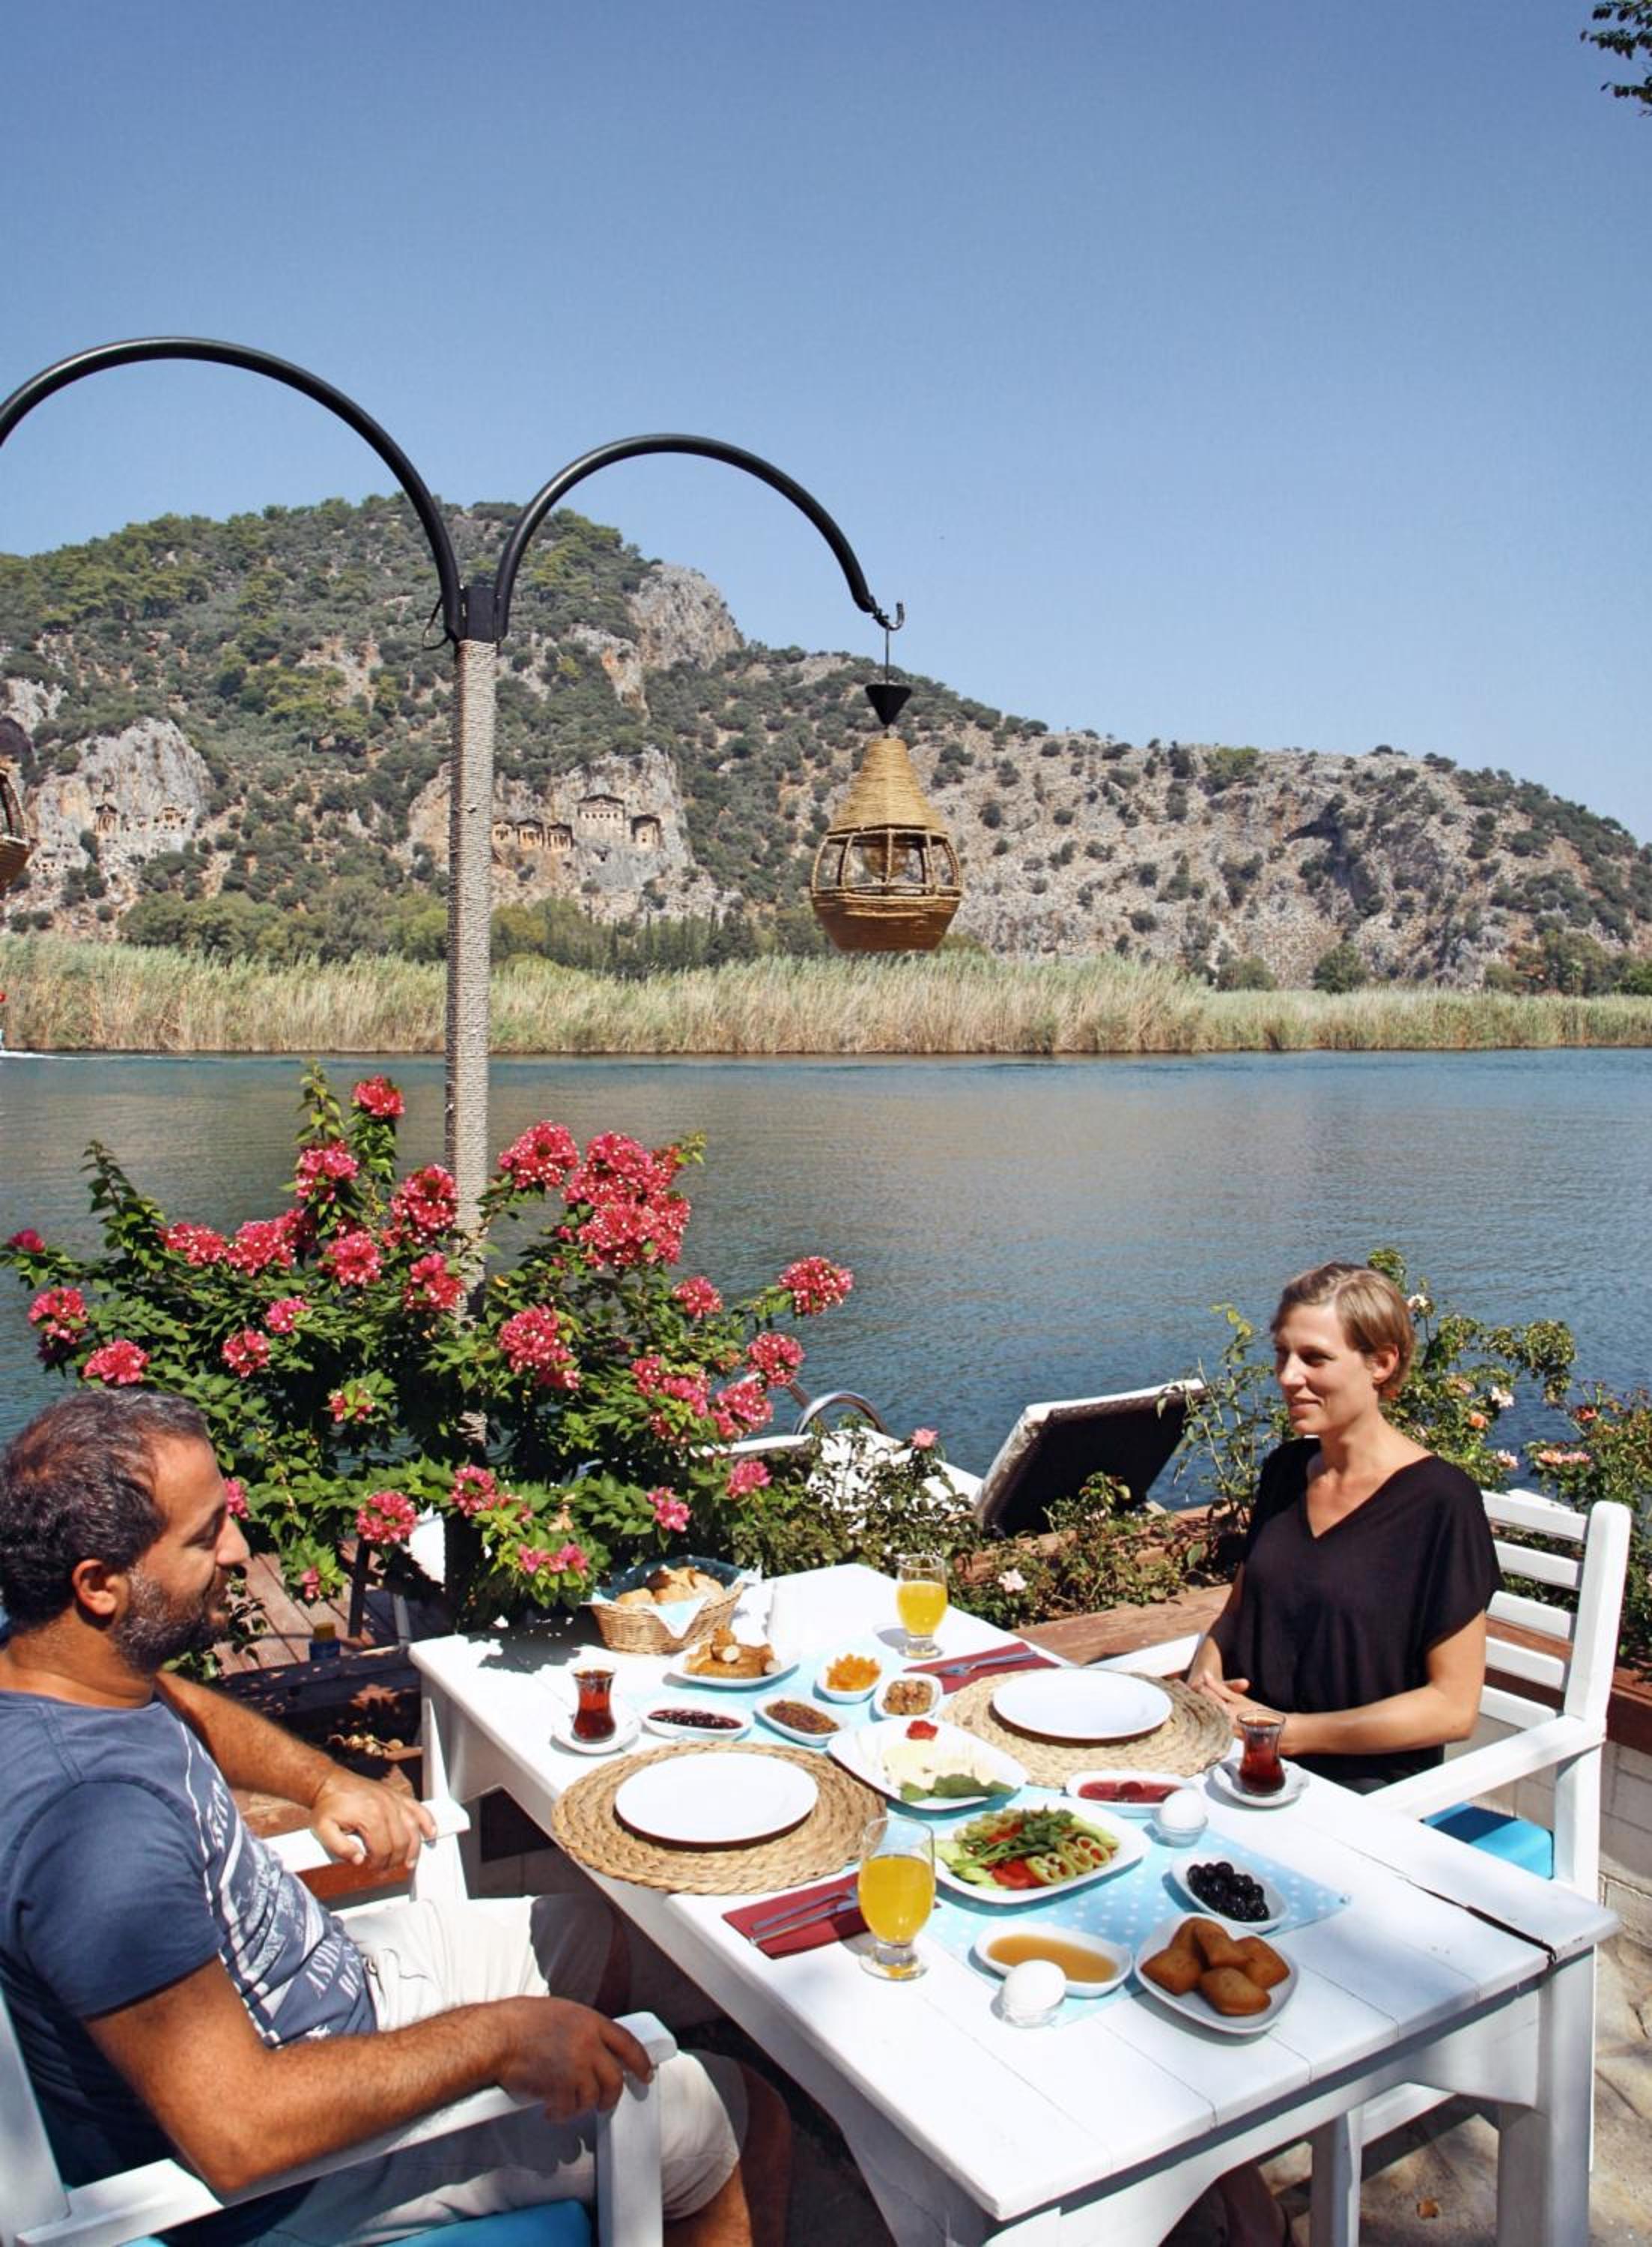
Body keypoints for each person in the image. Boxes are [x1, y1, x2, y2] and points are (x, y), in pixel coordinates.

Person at [0, 1389, 789, 2246]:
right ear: (100, 1586)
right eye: (204, 1536)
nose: (237, 1549)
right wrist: (497, 2040)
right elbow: (239, 2134)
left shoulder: (62, 1665)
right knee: (734, 2112)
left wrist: (322, 1781)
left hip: (347, 1988)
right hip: (303, 2173)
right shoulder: (96, 1829)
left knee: (660, 1954)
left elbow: (176, 1702)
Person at [1188, 1260, 1498, 1791]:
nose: (1288, 1377)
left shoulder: (1440, 1503)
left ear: (1381, 1363)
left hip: (1363, 1791)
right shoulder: (1286, 1471)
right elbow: (1238, 1612)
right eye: (1282, 1354)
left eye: (1314, 1358)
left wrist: (1288, 1733)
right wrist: (1205, 1672)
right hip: (1244, 1762)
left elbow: (1452, 1708)